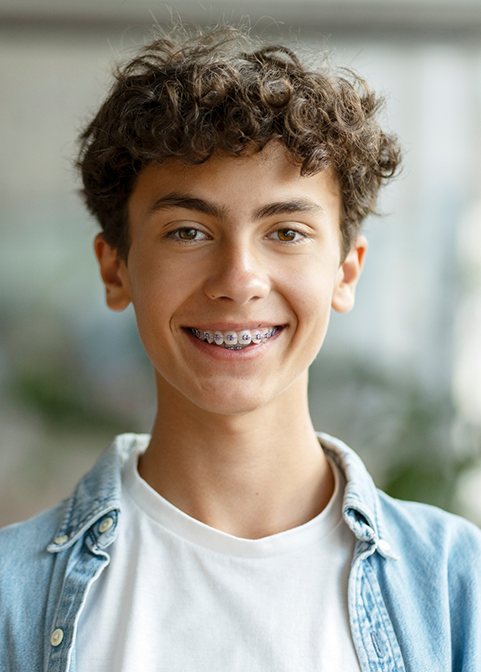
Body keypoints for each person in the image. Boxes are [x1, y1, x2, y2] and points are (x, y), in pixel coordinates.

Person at [1, 25, 480, 672]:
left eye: (285, 231)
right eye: (189, 231)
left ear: (345, 271)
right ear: (116, 269)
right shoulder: (11, 596)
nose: (239, 281)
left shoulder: (458, 587)